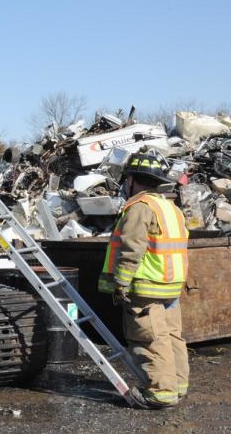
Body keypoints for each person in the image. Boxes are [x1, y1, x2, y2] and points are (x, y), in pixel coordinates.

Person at [98, 152, 189, 409]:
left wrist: (120, 283)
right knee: (172, 337)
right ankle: (177, 386)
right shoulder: (170, 207)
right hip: (170, 286)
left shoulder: (140, 207)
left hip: (146, 287)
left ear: (133, 180)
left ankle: (160, 393)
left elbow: (131, 248)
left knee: (150, 339)